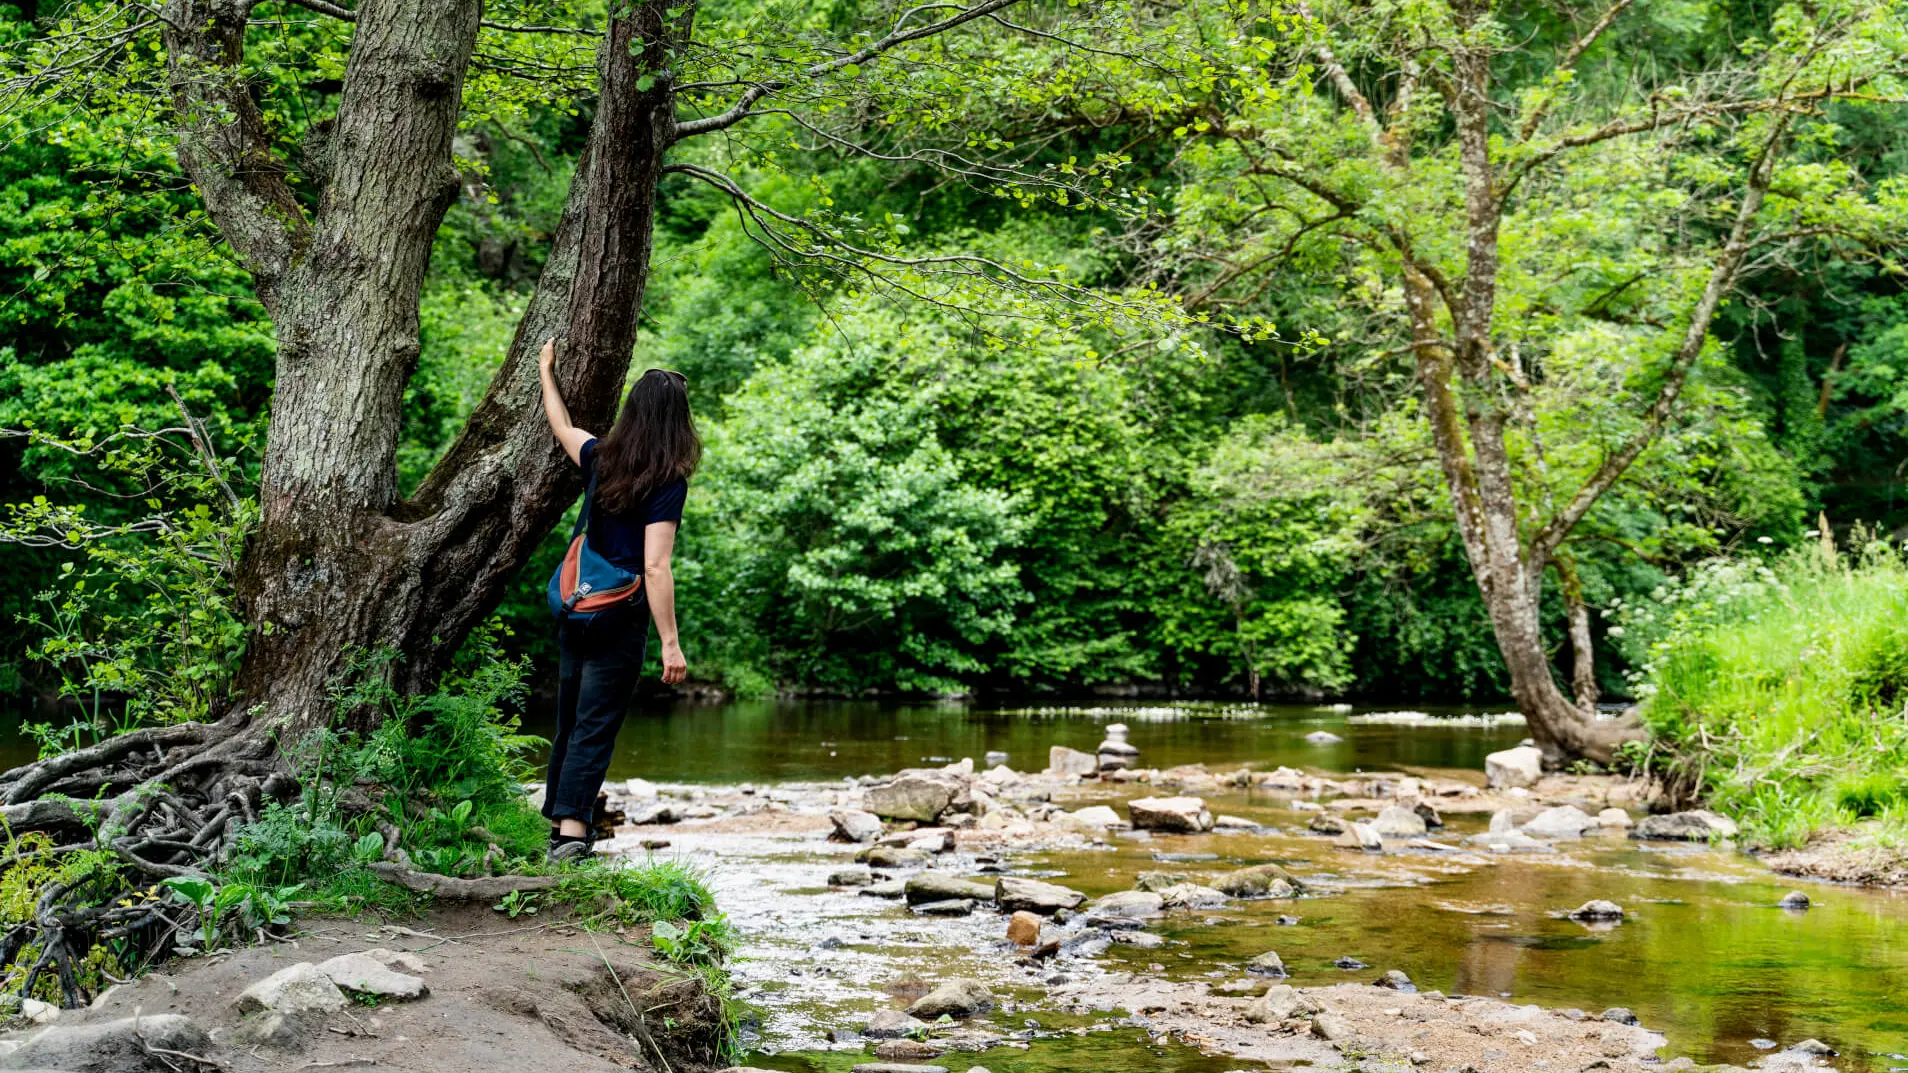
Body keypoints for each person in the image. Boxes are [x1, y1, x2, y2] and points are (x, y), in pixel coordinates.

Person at [537, 337, 698, 862]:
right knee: (595, 725)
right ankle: (571, 837)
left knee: (569, 719)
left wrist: (546, 372)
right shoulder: (667, 480)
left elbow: (561, 426)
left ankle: (554, 826)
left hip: (577, 603)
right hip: (621, 612)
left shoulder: (601, 457)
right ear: (676, 422)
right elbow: (655, 565)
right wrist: (670, 644)